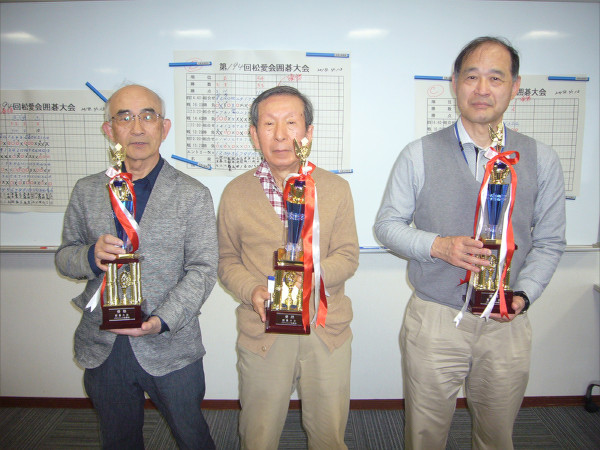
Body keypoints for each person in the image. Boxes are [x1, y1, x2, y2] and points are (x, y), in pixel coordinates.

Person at [374, 37, 566, 449]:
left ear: (515, 86)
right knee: (424, 435)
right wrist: (438, 246)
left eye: (495, 78)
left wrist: (524, 295)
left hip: (506, 323)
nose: (482, 89)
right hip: (436, 319)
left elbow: (550, 241)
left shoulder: (541, 158)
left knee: (496, 436)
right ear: (455, 83)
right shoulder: (418, 154)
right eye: (471, 77)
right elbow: (387, 226)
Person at [55, 84, 218, 449]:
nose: (138, 127)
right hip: (104, 343)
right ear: (109, 129)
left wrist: (161, 320)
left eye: (148, 116)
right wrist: (90, 256)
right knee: (118, 440)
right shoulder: (87, 190)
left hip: (170, 343)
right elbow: (65, 257)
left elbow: (204, 269)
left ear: (164, 127)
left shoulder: (192, 194)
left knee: (192, 436)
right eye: (125, 117)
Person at [217, 86, 359, 449]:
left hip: (325, 329)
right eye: (269, 124)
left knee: (329, 436)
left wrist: (309, 277)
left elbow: (348, 255)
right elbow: (227, 260)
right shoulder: (235, 192)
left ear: (308, 132)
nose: (280, 135)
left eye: (291, 123)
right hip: (263, 330)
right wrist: (252, 290)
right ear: (254, 134)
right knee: (258, 436)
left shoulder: (336, 188)